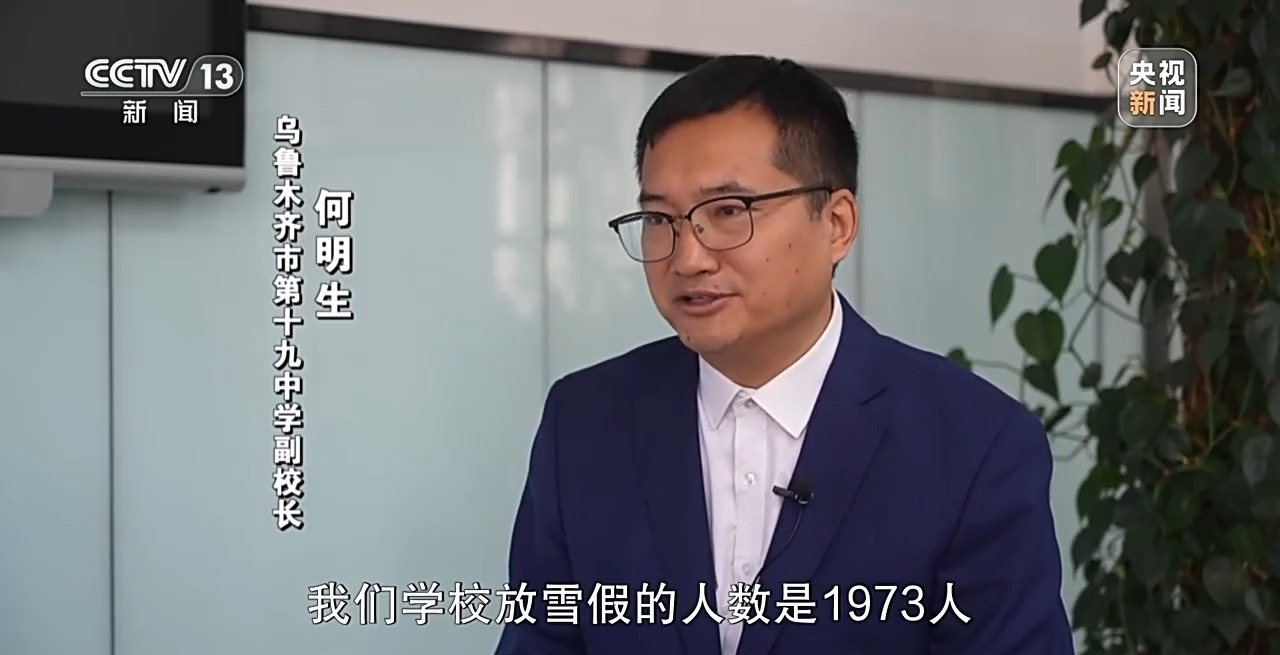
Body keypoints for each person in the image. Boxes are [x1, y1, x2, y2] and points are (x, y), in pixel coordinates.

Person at [495, 55, 1073, 655]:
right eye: (660, 218)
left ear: (837, 224)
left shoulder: (975, 444)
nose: (687, 257)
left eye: (728, 211)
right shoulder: (585, 423)